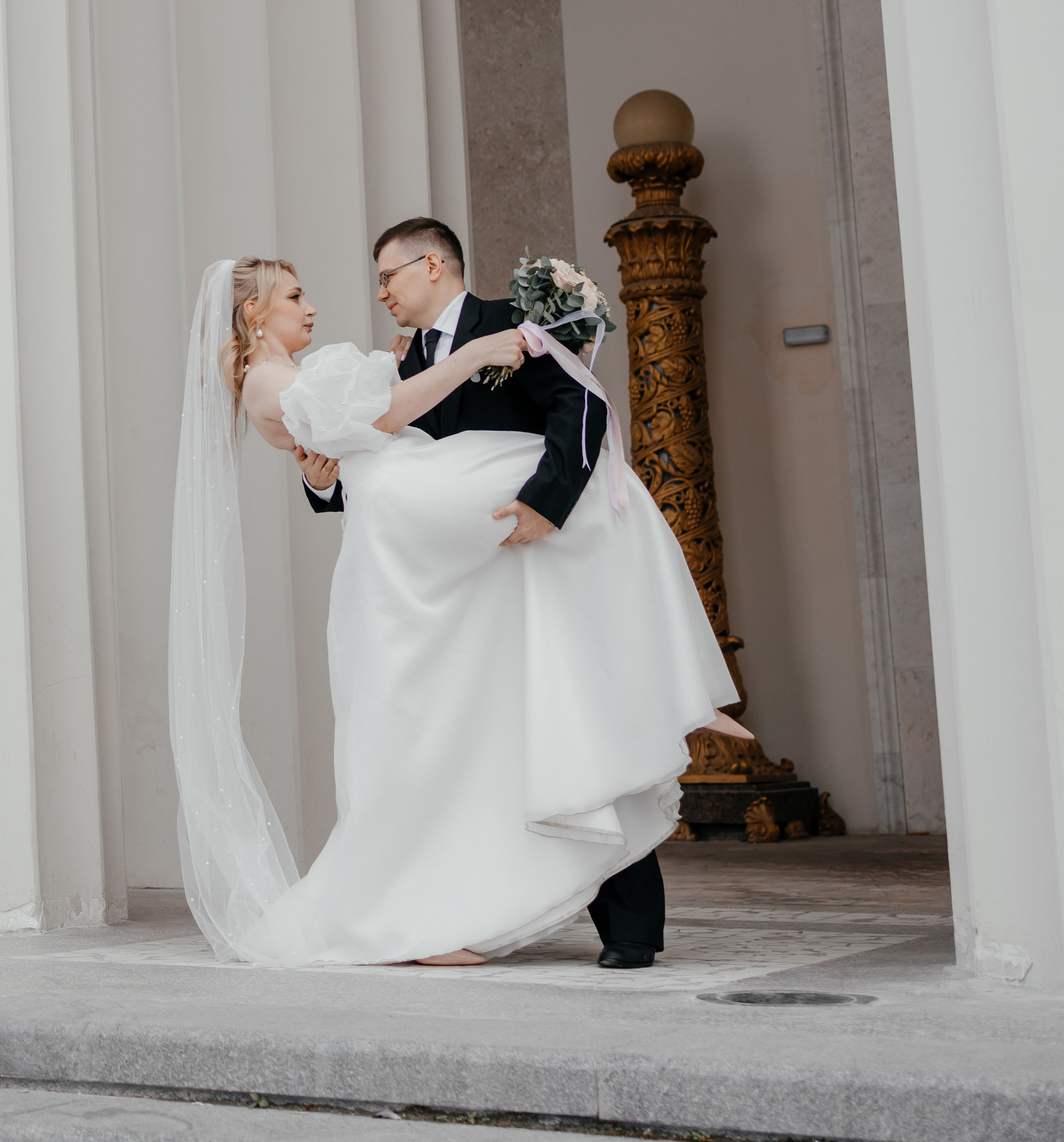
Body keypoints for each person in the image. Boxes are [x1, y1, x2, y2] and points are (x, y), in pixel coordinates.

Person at [167, 251, 743, 971]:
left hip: (433, 518)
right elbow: (377, 424)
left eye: (386, 277)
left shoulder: (484, 326)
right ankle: (672, 681)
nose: (320, 303)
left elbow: (577, 404)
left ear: (431, 263)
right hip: (412, 512)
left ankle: (662, 678)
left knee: (588, 518)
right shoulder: (271, 378)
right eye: (294, 294)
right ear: (253, 311)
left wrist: (543, 491)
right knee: (443, 721)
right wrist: (467, 361)